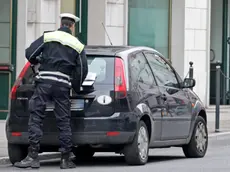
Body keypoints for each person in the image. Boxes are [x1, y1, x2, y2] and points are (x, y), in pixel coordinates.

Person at [14, 13, 88, 169]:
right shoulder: (77, 45)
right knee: (63, 121)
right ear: (72, 26)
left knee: (36, 117)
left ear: (60, 23)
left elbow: (30, 53)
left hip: (44, 83)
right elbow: (82, 70)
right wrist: (76, 85)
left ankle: (33, 156)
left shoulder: (48, 36)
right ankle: (65, 159)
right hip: (62, 86)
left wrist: (40, 61)